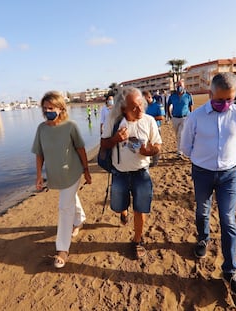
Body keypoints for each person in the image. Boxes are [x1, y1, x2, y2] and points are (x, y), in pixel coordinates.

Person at [180, 72, 236, 298]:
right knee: (202, 209)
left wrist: (226, 160)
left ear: (235, 94)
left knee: (228, 219)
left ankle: (230, 271)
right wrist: (203, 159)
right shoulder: (196, 117)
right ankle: (203, 238)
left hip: (229, 174)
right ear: (210, 94)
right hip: (201, 172)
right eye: (220, 100)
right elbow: (185, 147)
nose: (225, 104)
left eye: (230, 99)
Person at [31, 91, 92, 269]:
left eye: (51, 108)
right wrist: (38, 176)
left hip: (72, 173)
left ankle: (62, 249)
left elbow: (80, 149)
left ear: (60, 108)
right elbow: (39, 154)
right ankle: (80, 219)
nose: (47, 111)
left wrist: (87, 171)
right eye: (45, 108)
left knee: (64, 207)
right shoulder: (41, 129)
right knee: (69, 198)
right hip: (55, 176)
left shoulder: (70, 126)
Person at [100, 86, 162, 259]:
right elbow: (104, 144)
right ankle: (123, 211)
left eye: (141, 104)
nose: (140, 109)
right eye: (134, 106)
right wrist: (115, 139)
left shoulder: (149, 121)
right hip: (119, 173)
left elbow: (157, 144)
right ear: (123, 108)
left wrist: (149, 151)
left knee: (140, 209)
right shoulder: (114, 121)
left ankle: (137, 240)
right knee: (119, 205)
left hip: (141, 173)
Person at [167, 80, 193, 158]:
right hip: (175, 118)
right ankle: (180, 148)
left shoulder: (188, 95)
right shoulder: (172, 96)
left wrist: (190, 115)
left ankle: (180, 151)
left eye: (180, 85)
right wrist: (169, 115)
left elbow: (191, 105)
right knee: (177, 134)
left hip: (185, 118)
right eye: (178, 85)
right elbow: (168, 105)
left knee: (180, 135)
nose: (179, 87)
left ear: (184, 86)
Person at [143, 90, 165, 166]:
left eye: (145, 99)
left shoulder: (158, 105)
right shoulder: (144, 106)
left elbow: (162, 117)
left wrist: (150, 119)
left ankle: (155, 161)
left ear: (149, 97)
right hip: (146, 129)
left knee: (156, 144)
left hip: (156, 128)